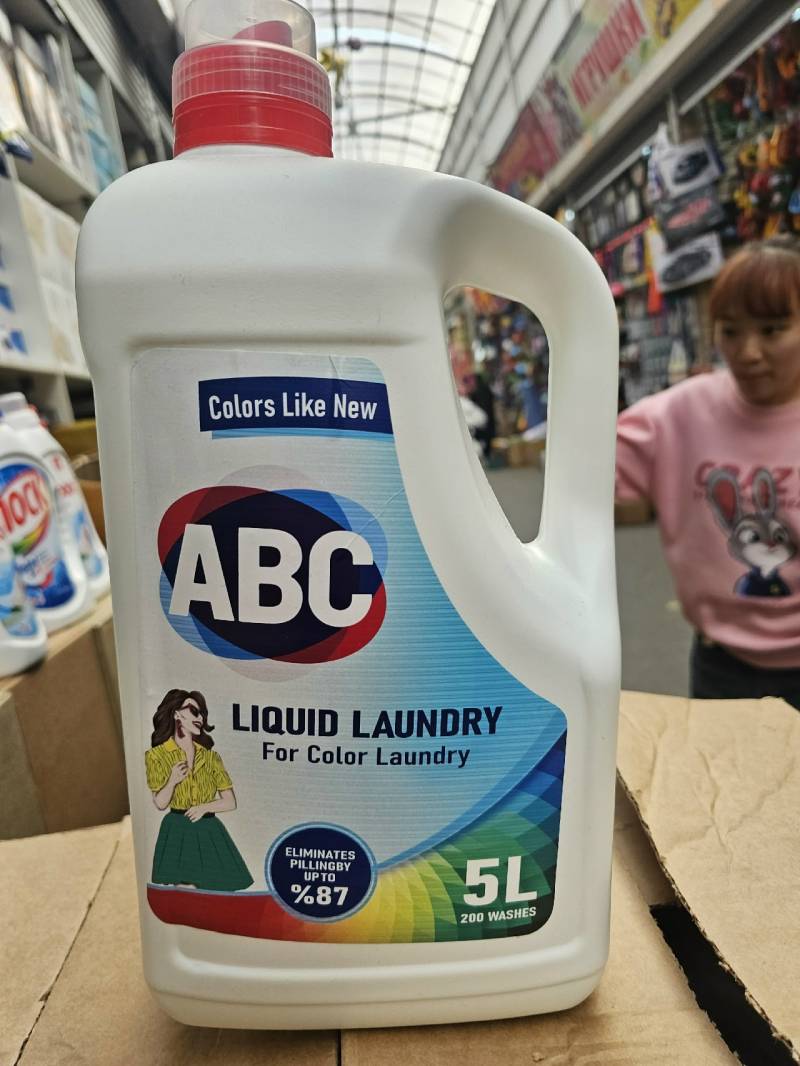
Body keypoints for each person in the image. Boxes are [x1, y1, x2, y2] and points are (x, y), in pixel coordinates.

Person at [615, 237, 800, 707]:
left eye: (773, 330)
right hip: (722, 665)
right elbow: (579, 479)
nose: (749, 352)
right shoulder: (674, 416)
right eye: (731, 331)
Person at [145, 689, 253, 889]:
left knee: (218, 890)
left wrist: (204, 807)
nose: (200, 718)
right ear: (177, 714)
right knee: (181, 891)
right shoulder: (156, 755)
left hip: (208, 830)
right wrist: (172, 781)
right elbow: (160, 803)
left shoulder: (211, 757)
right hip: (176, 830)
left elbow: (230, 801)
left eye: (202, 713)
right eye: (194, 711)